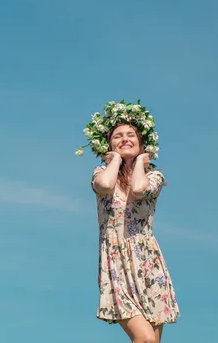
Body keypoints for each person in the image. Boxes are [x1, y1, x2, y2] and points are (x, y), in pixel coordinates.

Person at [76, 101, 180, 343]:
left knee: (152, 342)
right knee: (144, 339)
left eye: (131, 135)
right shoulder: (101, 173)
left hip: (147, 262)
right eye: (117, 137)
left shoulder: (153, 175)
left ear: (142, 142)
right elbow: (103, 186)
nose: (124, 139)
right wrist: (113, 160)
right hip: (116, 260)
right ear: (108, 144)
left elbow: (138, 188)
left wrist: (142, 161)